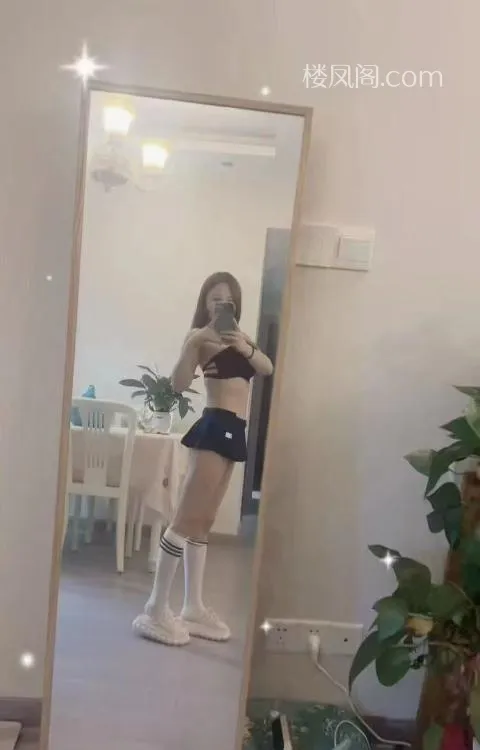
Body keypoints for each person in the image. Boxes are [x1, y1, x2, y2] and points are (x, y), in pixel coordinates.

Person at [133, 271, 273, 646]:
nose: (221, 304)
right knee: (185, 519)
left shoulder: (242, 339)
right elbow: (179, 384)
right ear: (205, 303)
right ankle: (155, 607)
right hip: (213, 426)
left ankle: (192, 607)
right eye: (214, 298)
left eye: (228, 299)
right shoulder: (200, 338)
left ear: (235, 304)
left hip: (235, 430)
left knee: (204, 522)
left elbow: (267, 368)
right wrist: (194, 341)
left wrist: (245, 346)